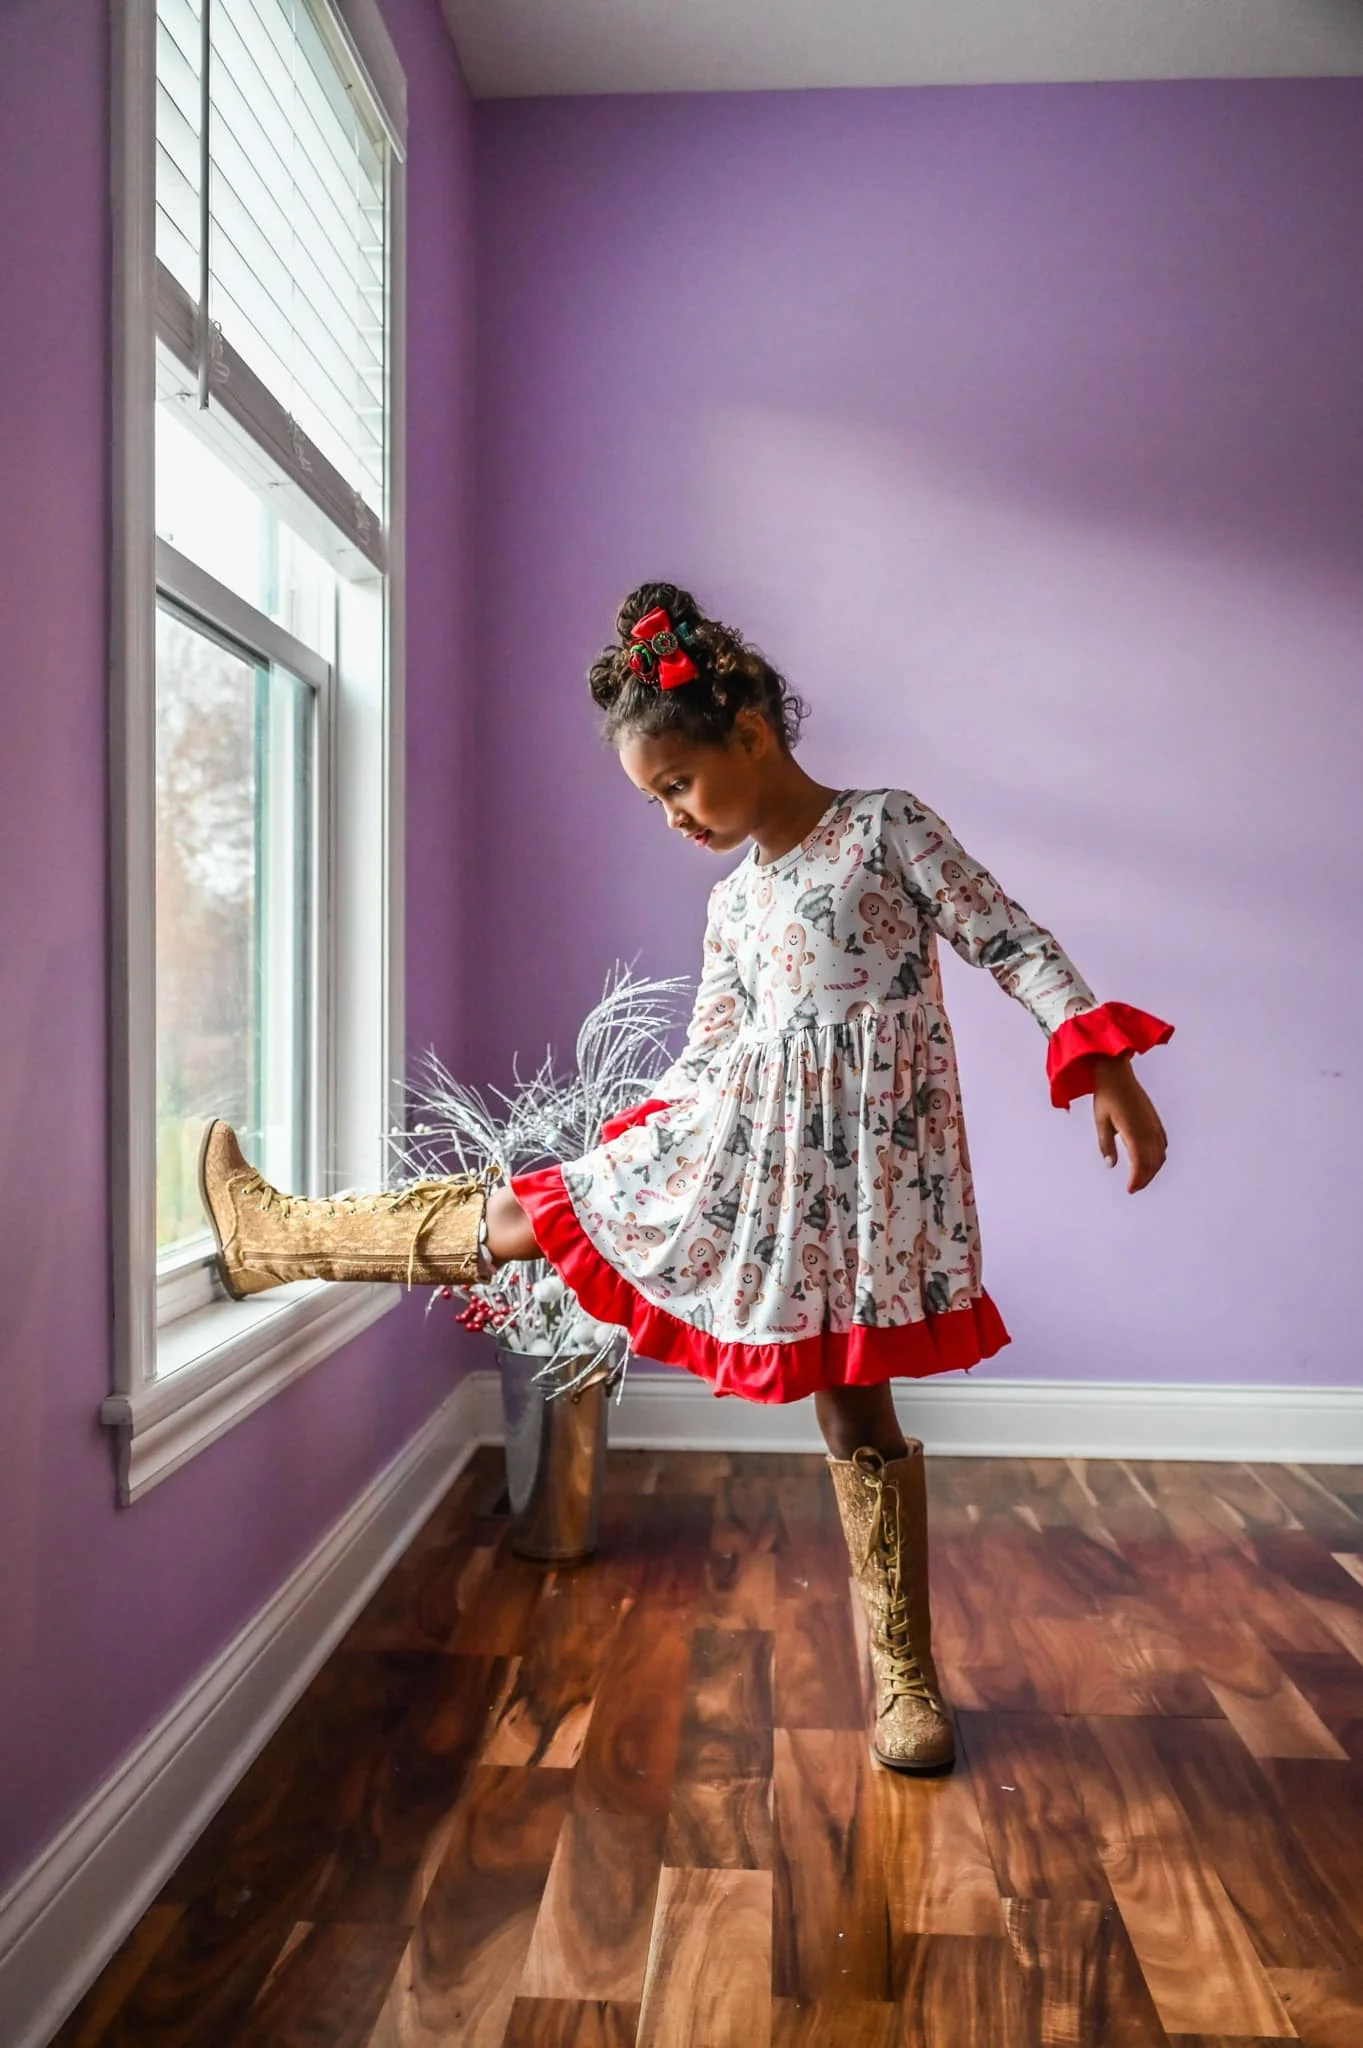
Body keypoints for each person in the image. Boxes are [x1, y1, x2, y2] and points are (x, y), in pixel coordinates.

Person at [199, 580, 1171, 1776]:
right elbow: (710, 1053)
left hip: (864, 1186)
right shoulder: (731, 902)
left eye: (677, 784)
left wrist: (1105, 1064)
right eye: (654, 798)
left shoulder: (884, 828)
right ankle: (287, 1236)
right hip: (739, 1151)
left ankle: (905, 1677)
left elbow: (1008, 938)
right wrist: (625, 1162)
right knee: (537, 1210)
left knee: (858, 1406)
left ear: (750, 735)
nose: (670, 815)